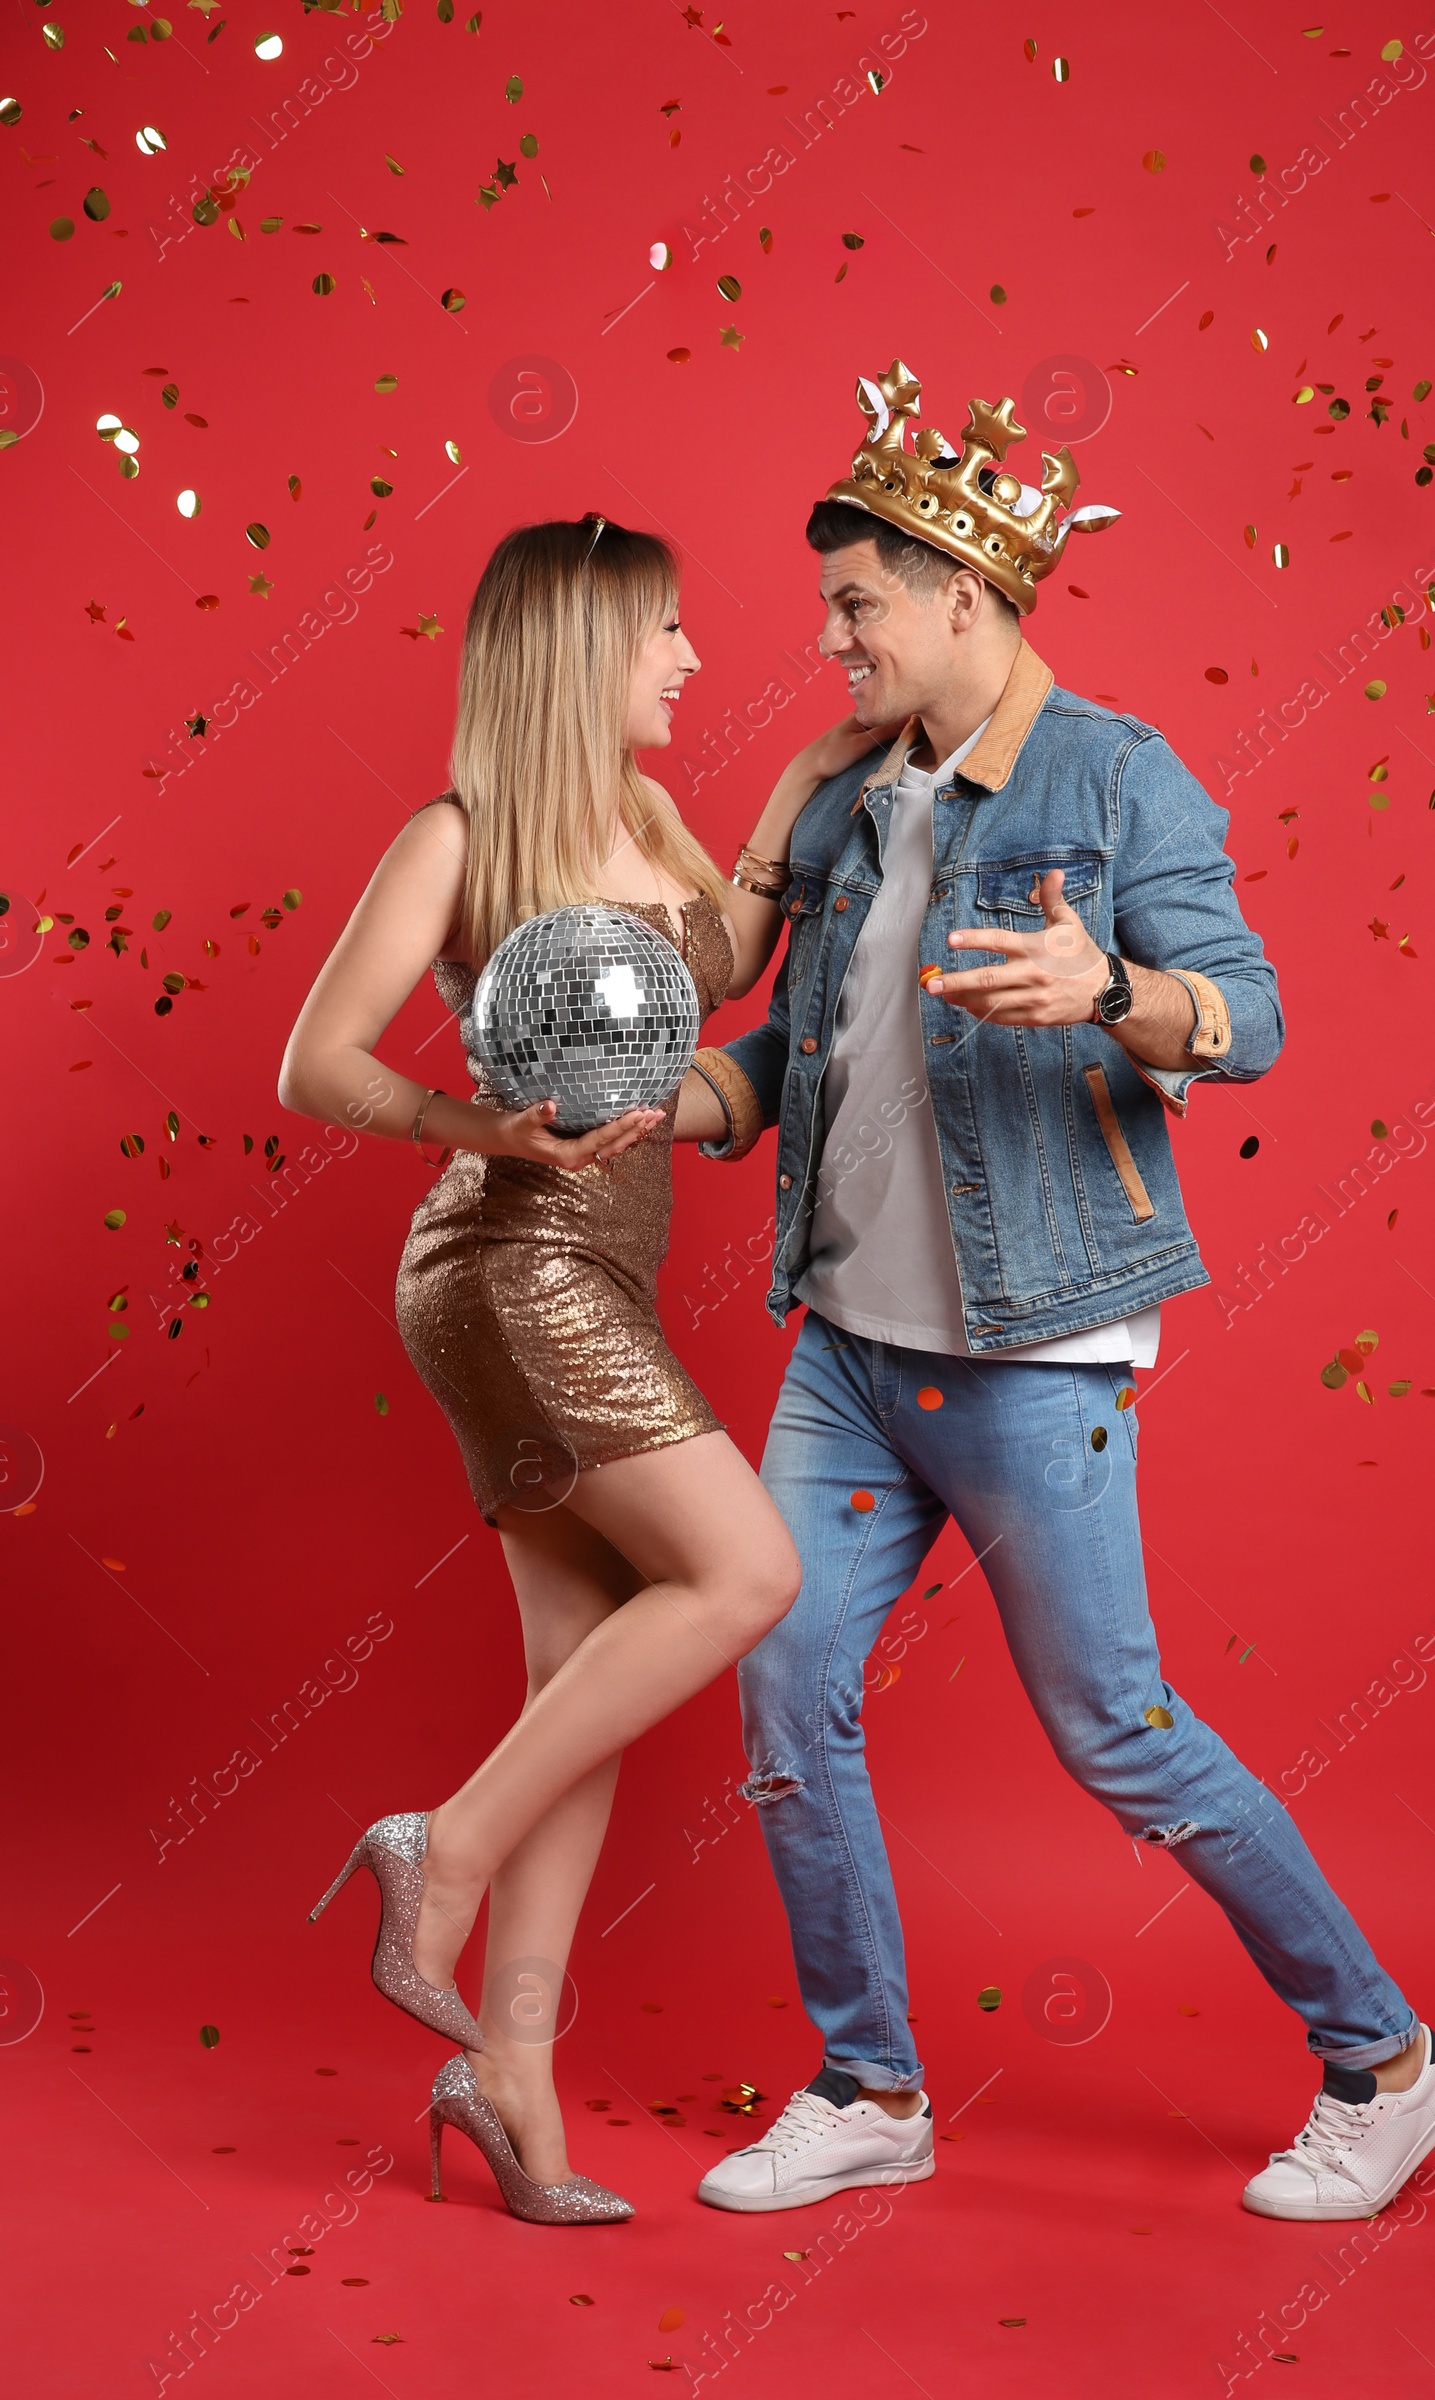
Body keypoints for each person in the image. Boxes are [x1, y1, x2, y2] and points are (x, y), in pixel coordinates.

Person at [672, 363, 1435, 2223]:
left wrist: (1109, 991)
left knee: (1116, 1733)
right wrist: (663, 1101)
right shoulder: (865, 802)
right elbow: (788, 1043)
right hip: (850, 1346)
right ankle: (869, 2083)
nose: (830, 635)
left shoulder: (1117, 774)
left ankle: (1391, 2060)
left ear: (962, 591)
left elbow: (1252, 1019)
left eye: (857, 601)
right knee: (785, 1684)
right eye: (827, 607)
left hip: (1034, 1354)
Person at [279, 515, 875, 2226]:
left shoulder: (647, 820)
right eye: (665, 635)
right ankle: (439, 1853)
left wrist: (804, 776)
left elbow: (729, 961)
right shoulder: (460, 836)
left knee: (578, 1684)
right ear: (579, 653)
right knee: (746, 1568)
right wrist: (477, 1124)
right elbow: (314, 1060)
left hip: (601, 1273)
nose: (693, 661)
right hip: (507, 1271)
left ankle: (511, 2076)